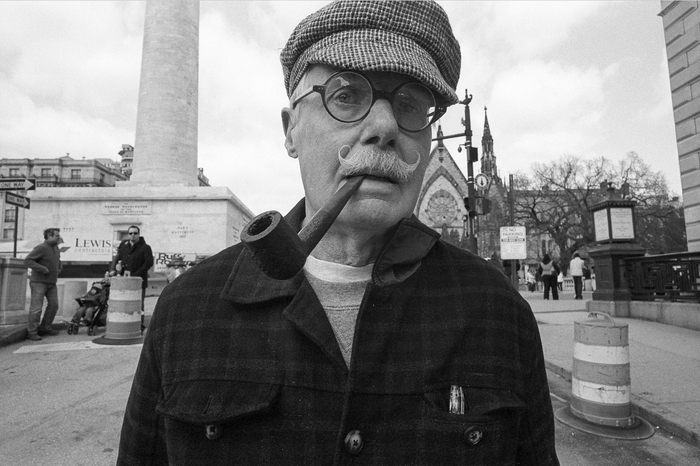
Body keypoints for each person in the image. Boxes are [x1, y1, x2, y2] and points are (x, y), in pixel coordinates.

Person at [118, 2, 559, 465]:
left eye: (410, 105)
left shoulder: (499, 313)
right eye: (346, 95)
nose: (385, 127)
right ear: (291, 130)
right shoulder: (186, 311)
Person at [109, 226, 153, 329]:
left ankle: (139, 324)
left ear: (139, 234)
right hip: (124, 281)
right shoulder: (124, 247)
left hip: (139, 280)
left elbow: (148, 263)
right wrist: (115, 269)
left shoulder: (145, 248)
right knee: (125, 302)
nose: (133, 235)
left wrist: (136, 274)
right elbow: (117, 258)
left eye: (135, 233)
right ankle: (126, 322)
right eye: (130, 233)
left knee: (138, 303)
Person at [23, 228, 62, 341]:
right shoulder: (41, 248)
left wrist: (59, 268)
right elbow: (27, 261)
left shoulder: (56, 248)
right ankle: (32, 332)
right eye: (57, 236)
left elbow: (58, 260)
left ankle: (45, 328)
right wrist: (42, 269)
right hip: (38, 282)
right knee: (36, 308)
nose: (59, 238)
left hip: (52, 283)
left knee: (54, 305)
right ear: (49, 236)